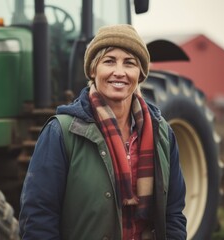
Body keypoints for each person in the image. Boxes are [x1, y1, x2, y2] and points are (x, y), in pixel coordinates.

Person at [19, 24, 187, 240]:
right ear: (92, 69)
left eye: (130, 63)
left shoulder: (162, 133)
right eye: (109, 61)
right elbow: (38, 217)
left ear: (141, 73)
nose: (119, 72)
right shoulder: (61, 132)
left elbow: (173, 213)